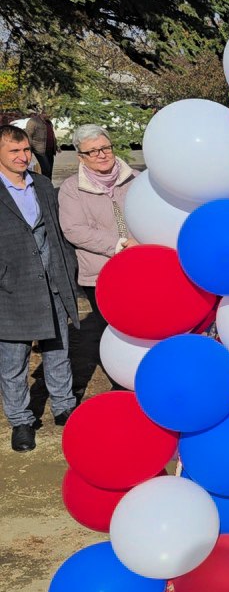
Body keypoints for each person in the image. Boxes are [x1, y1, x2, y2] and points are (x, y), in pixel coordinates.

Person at [0, 124, 80, 453]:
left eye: (25, 150)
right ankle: (21, 419)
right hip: (11, 289)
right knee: (13, 361)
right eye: (13, 151)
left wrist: (68, 269)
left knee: (58, 351)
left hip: (53, 282)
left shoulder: (44, 185)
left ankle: (64, 407)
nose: (22, 157)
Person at [57, 124, 137, 374]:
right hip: (100, 273)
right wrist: (119, 244)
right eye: (92, 151)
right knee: (114, 329)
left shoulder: (136, 178)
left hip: (141, 265)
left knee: (142, 322)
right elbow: (74, 229)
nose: (101, 154)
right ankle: (121, 377)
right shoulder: (71, 189)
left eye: (105, 148)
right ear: (80, 157)